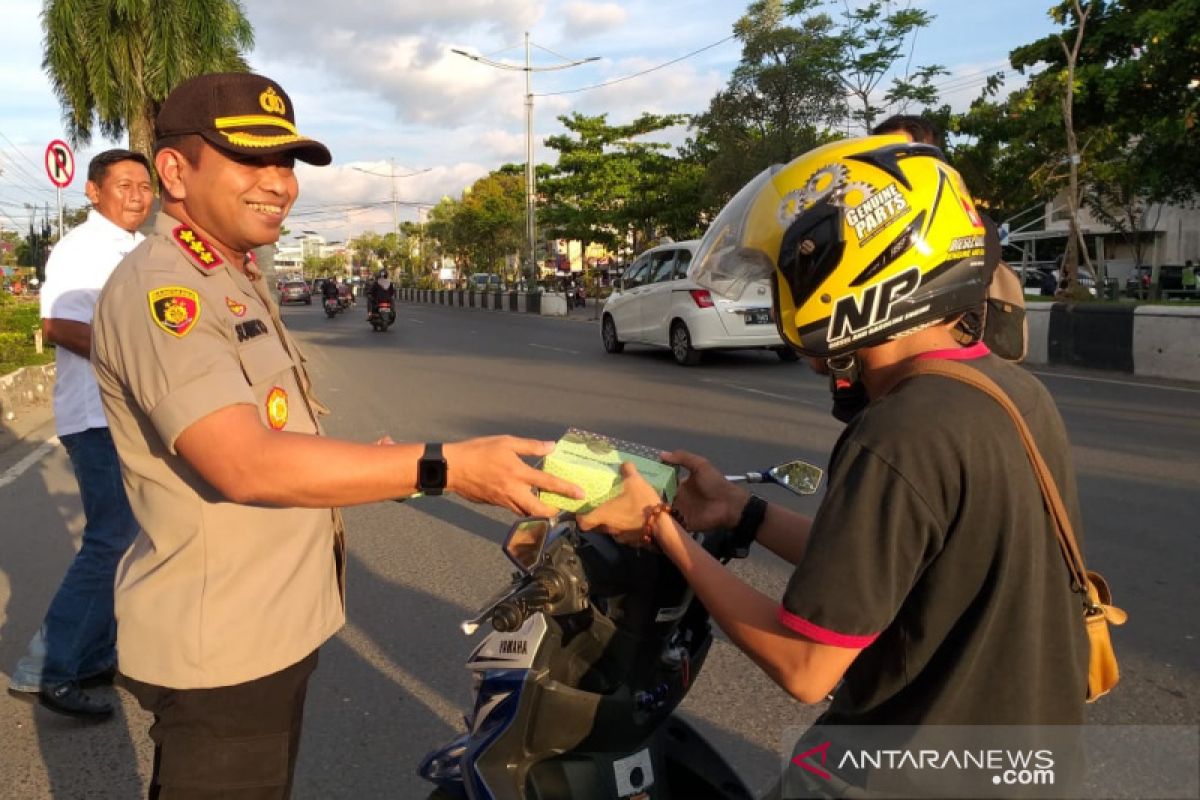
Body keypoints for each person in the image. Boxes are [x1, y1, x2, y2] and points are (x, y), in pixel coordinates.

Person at [90, 72, 582, 798]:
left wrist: (373, 467)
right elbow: (244, 462)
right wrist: (441, 468)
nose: (279, 182)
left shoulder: (232, 272)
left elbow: (269, 435)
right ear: (175, 169)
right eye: (250, 160)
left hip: (266, 624)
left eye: (285, 162)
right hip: (221, 641)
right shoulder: (167, 289)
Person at [579, 135, 1089, 796]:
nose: (781, 297)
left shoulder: (901, 430)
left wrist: (661, 532)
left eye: (789, 274)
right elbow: (895, 564)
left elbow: (806, 665)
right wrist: (743, 512)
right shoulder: (1008, 391)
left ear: (857, 271)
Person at [8, 148, 153, 721]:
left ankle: (93, 655)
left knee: (130, 537)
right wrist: (138, 366)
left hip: (129, 417)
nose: (138, 195)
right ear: (93, 192)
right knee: (112, 536)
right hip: (96, 416)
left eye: (144, 185)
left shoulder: (138, 249)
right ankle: (48, 667)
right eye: (124, 185)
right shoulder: (82, 248)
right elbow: (59, 325)